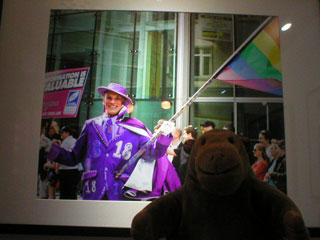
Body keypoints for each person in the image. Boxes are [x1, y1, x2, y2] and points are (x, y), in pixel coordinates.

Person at [45, 83, 179, 200]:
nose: (112, 102)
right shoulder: (91, 125)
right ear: (103, 100)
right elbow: (73, 157)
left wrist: (164, 136)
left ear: (123, 103)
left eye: (117, 99)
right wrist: (49, 148)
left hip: (121, 193)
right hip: (93, 191)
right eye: (109, 97)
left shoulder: (135, 127)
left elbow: (152, 153)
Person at [57, 126, 83, 200]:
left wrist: (57, 168)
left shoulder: (66, 142)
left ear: (67, 133)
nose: (61, 134)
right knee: (72, 193)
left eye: (62, 132)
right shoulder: (74, 140)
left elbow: (61, 156)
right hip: (74, 169)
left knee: (65, 193)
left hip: (67, 171)